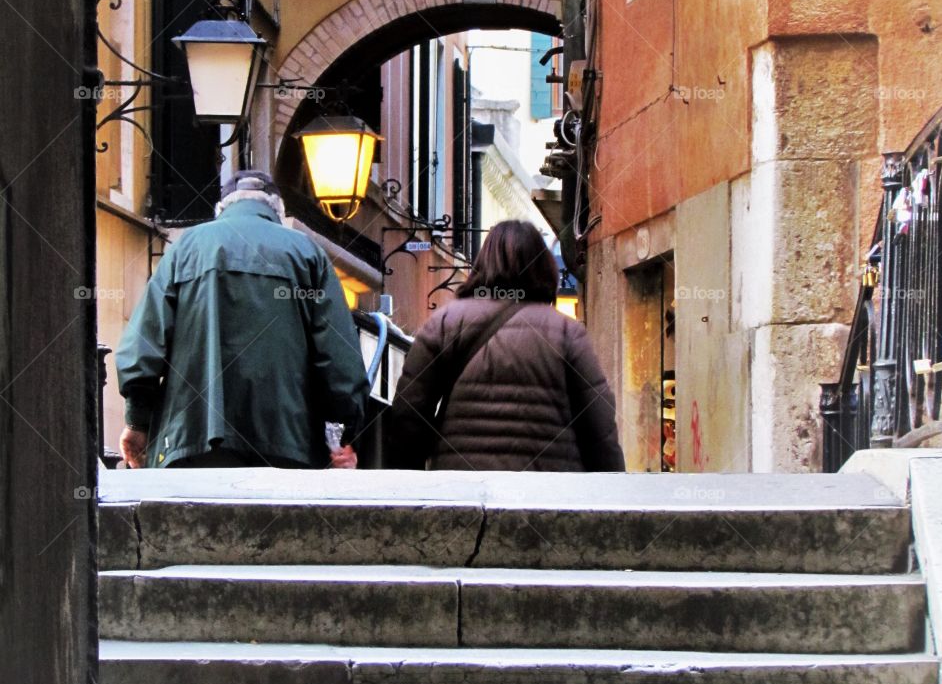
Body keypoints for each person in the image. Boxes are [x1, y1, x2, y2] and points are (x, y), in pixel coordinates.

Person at [114, 170, 368, 469]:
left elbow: (143, 346)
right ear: (278, 211)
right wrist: (342, 435)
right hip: (289, 446)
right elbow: (340, 362)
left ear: (222, 208)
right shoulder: (307, 253)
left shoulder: (186, 248)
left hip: (193, 444)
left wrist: (137, 422)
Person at [390, 220, 624, 471]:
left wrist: (411, 482)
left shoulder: (444, 324)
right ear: (543, 268)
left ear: (483, 263)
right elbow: (599, 430)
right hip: (548, 495)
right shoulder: (567, 333)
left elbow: (409, 416)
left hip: (461, 490)